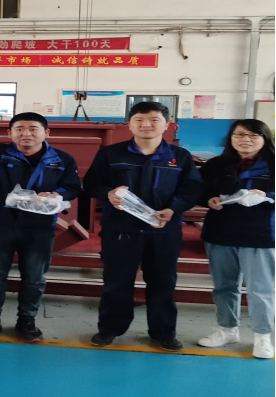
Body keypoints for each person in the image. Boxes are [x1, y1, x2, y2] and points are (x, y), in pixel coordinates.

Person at [83, 101, 203, 351]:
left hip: (163, 231)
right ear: (130, 124)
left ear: (167, 125)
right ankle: (110, 329)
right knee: (117, 281)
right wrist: (108, 193)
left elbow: (191, 189)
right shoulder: (111, 154)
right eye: (139, 119)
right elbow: (92, 184)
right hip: (120, 230)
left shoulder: (179, 157)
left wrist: (173, 209)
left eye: (154, 120)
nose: (146, 125)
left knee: (163, 282)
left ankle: (164, 332)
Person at [0, 103, 82, 342]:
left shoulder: (62, 159)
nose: (26, 133)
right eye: (19, 129)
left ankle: (27, 319)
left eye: (33, 128)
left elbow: (72, 187)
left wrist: (56, 195)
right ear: (10, 133)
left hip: (40, 226)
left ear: (46, 132)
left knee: (34, 276)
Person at [196, 119, 274, 359]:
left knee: (260, 288)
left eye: (252, 135)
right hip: (221, 232)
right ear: (230, 138)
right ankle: (227, 329)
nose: (245, 140)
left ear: (264, 138)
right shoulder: (217, 164)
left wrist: (268, 195)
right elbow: (198, 189)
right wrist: (208, 199)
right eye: (239, 135)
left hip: (260, 234)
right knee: (224, 286)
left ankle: (262, 336)